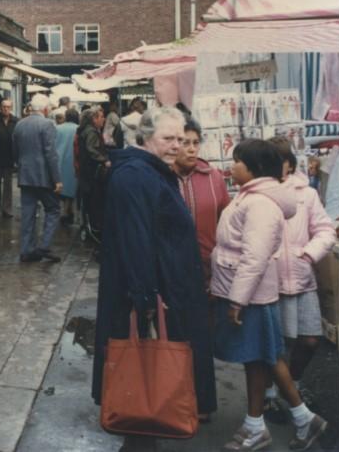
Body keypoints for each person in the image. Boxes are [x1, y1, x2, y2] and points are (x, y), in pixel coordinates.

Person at [92, 107, 216, 452]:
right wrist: (145, 299)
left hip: (163, 288)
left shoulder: (152, 171)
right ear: (146, 137)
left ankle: (144, 435)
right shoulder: (136, 175)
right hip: (151, 294)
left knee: (152, 377)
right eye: (168, 138)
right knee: (145, 372)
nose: (176, 145)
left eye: (180, 138)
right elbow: (136, 240)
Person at [211, 139, 327, 452]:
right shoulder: (251, 196)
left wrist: (237, 300)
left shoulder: (259, 203)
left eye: (237, 161)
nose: (231, 166)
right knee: (262, 358)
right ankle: (278, 422)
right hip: (250, 293)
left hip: (251, 296)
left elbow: (255, 256)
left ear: (255, 168)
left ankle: (281, 422)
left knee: (264, 357)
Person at [262, 137, 337, 424]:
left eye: (277, 160)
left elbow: (325, 231)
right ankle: (271, 394)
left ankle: (288, 386)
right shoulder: (257, 194)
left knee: (309, 340)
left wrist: (307, 254)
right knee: (274, 344)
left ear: (290, 164)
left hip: (303, 279)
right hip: (270, 281)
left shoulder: (306, 194)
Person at [173, 118, 231, 285]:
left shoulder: (214, 178)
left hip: (210, 268)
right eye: (185, 143)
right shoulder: (161, 178)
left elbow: (226, 220)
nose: (192, 149)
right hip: (173, 270)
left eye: (196, 143)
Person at [12, 94, 62, 263]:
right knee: (53, 209)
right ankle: (44, 245)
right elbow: (51, 153)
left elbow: (15, 150)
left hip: (25, 175)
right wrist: (57, 179)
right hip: (43, 176)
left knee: (28, 213)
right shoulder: (47, 124)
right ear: (46, 109)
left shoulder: (19, 124)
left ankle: (26, 250)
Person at [76, 106, 110, 238]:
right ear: (94, 119)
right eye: (101, 117)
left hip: (86, 172)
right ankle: (93, 228)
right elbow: (92, 150)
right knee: (93, 202)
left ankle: (89, 226)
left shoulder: (86, 130)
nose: (104, 119)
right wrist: (104, 160)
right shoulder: (91, 132)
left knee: (88, 201)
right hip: (91, 173)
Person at [55, 108, 80, 224]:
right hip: (73, 161)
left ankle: (65, 211)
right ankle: (67, 211)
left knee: (61, 188)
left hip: (59, 160)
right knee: (71, 187)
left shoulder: (58, 128)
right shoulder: (78, 129)